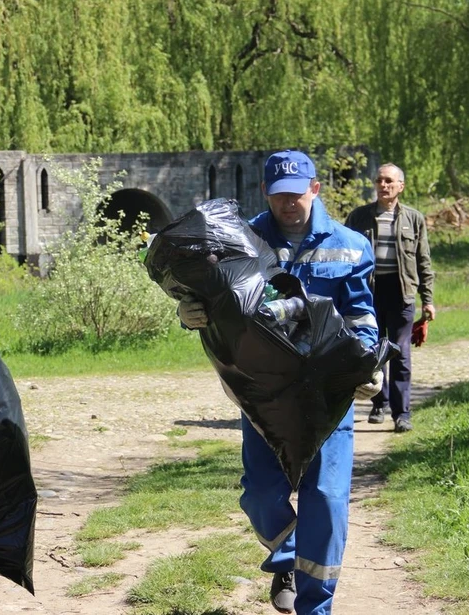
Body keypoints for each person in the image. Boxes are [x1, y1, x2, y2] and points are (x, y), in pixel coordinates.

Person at [176, 150, 381, 615]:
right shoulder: (238, 238)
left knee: (326, 502)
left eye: (297, 193)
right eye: (279, 195)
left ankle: (315, 607)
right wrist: (188, 314)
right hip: (264, 393)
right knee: (263, 495)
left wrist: (367, 363)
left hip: (328, 394)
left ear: (315, 188)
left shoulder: (350, 245)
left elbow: (363, 317)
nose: (289, 203)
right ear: (266, 193)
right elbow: (209, 295)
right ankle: (287, 560)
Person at [345, 163, 435, 433]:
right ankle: (378, 403)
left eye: (388, 181)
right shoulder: (359, 217)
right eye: (379, 181)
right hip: (368, 293)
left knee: (400, 353)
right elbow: (344, 254)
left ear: (400, 186)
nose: (383, 185)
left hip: (401, 292)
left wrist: (428, 299)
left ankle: (402, 413)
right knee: (372, 351)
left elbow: (424, 261)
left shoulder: (414, 219)